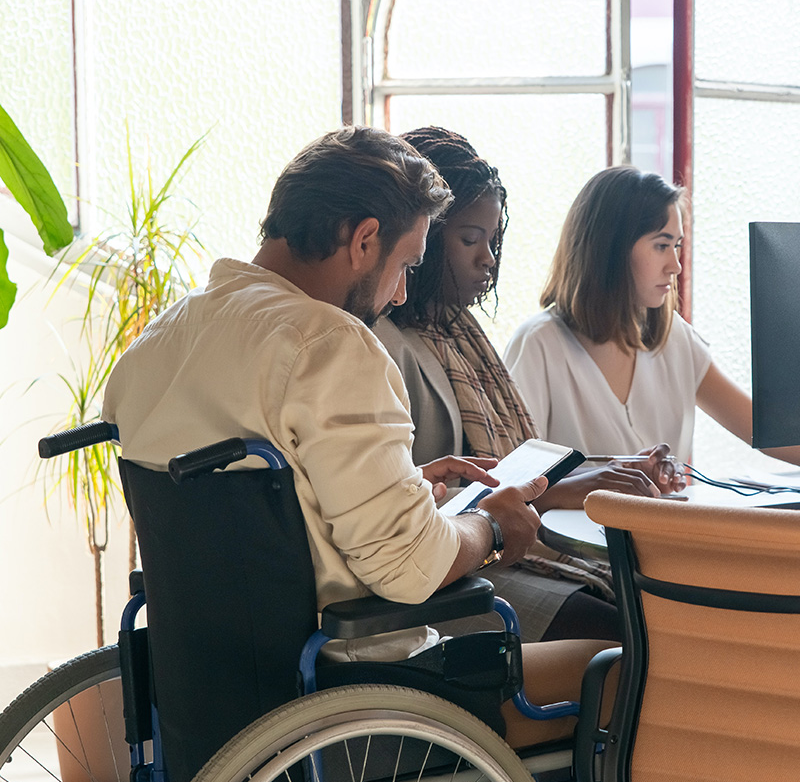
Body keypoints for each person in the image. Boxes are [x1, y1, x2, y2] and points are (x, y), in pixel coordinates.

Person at [102, 125, 611, 746]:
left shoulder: (159, 342)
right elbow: (408, 569)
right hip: (363, 696)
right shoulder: (330, 344)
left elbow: (263, 525)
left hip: (217, 694)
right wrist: (494, 524)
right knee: (633, 671)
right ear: (365, 239)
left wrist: (403, 488)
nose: (400, 292)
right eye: (406, 266)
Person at [374, 127, 679, 645]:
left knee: (655, 614)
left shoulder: (458, 332)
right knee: (637, 635)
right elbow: (423, 508)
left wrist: (609, 468)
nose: (488, 259)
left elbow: (510, 463)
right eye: (470, 240)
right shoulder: (385, 344)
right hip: (452, 577)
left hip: (485, 555)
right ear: (420, 232)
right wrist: (562, 490)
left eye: (493, 242)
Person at [504, 165, 800, 469]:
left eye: (677, 245)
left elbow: (768, 433)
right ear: (610, 248)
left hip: (664, 517)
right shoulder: (538, 345)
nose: (676, 265)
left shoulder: (675, 339)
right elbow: (512, 483)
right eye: (661, 245)